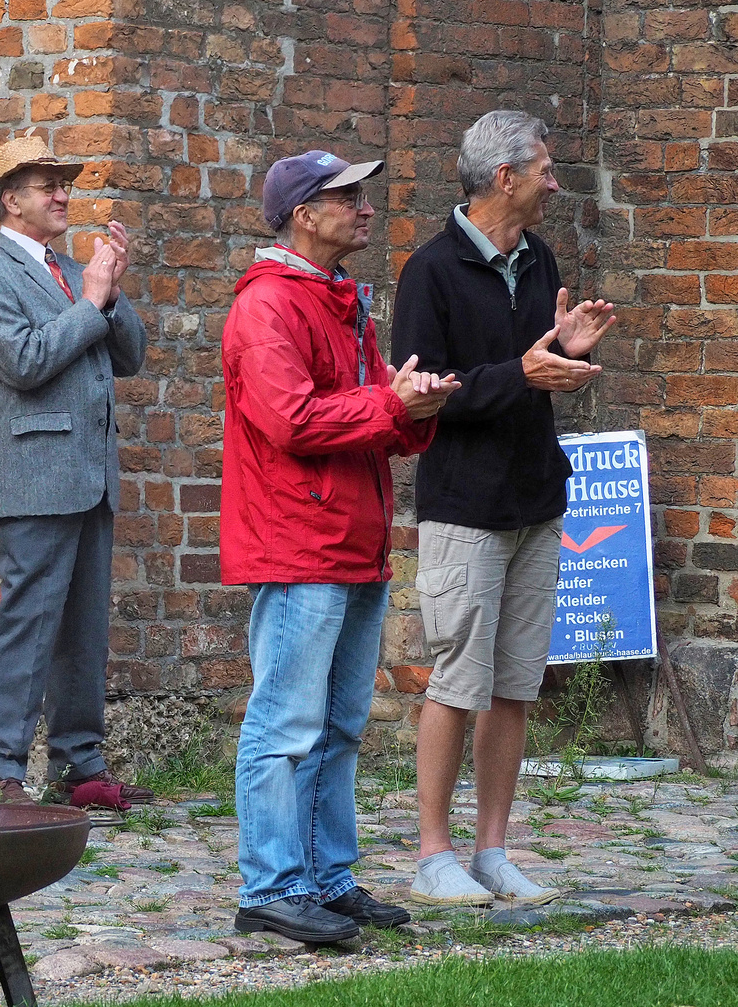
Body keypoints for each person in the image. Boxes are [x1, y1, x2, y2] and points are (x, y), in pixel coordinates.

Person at [222, 150, 459, 943]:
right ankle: (271, 886)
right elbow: (291, 420)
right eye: (345, 196)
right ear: (302, 214)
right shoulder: (266, 308)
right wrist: (387, 402)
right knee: (287, 724)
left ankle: (325, 879)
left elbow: (370, 419)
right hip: (298, 544)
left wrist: (415, 409)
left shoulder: (337, 300)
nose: (363, 206)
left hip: (351, 540)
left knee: (339, 726)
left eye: (361, 193)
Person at [393, 110, 615, 908]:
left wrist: (569, 350)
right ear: (504, 178)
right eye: (547, 171)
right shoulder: (431, 271)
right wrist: (520, 371)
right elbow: (419, 399)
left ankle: (492, 849)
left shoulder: (540, 256)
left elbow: (534, 369)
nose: (556, 184)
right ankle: (432, 855)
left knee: (516, 684)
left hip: (534, 498)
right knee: (457, 680)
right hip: (464, 507)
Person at [0, 135, 148, 809]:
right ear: (10, 201)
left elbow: (132, 358)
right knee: (28, 623)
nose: (63, 194)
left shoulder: (73, 270)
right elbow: (26, 362)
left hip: (91, 473)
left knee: (83, 630)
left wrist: (110, 291)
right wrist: (91, 301)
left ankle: (80, 767)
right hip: (35, 473)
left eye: (63, 184)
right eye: (46, 185)